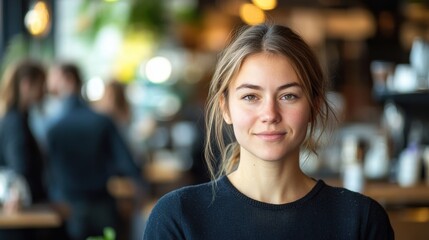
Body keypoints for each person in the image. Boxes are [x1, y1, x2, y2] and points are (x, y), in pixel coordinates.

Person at [143, 23, 394, 239]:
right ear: (225, 107)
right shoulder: (177, 217)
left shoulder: (360, 220)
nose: (270, 115)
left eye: (288, 96)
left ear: (314, 106)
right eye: (251, 96)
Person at [45, 62, 143, 240]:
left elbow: (46, 171)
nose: (49, 83)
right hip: (102, 204)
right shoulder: (101, 121)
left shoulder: (51, 126)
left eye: (54, 77)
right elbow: (127, 164)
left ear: (68, 79)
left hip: (66, 208)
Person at [0, 59, 48, 207]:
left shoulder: (18, 118)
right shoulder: (15, 122)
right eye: (41, 84)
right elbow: (19, 167)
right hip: (23, 207)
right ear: (26, 84)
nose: (44, 91)